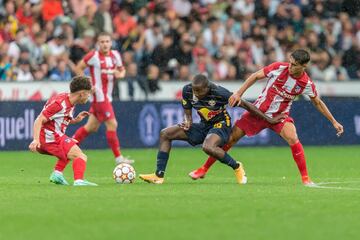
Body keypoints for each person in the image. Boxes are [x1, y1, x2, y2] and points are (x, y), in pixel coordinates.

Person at [189, 49, 344, 186]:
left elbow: (317, 102)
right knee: (230, 139)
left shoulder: (306, 83)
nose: (290, 66)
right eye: (290, 62)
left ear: (304, 66)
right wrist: (238, 93)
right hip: (257, 112)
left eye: (294, 65)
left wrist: (334, 121)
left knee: (293, 137)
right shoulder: (278, 68)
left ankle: (305, 179)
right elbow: (255, 76)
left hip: (279, 117)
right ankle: (203, 169)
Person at [139, 74, 284, 184]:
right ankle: (158, 176)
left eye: (199, 91)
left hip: (221, 124)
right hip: (204, 125)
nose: (195, 93)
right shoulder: (187, 90)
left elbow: (247, 105)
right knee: (165, 133)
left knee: (208, 147)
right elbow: (188, 111)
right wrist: (188, 122)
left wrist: (269, 119)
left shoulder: (220, 93)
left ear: (207, 88)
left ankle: (237, 166)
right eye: (194, 90)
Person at [72, 32, 133, 165]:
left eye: (107, 41)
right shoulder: (93, 56)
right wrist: (87, 85)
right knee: (112, 124)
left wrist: (120, 74)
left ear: (111, 43)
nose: (105, 44)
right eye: (102, 42)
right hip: (99, 97)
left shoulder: (116, 55)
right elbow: (79, 67)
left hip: (107, 96)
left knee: (90, 127)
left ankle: (69, 145)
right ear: (98, 44)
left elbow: (122, 71)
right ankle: (118, 158)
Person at [28, 76, 97, 186]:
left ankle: (57, 174)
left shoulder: (69, 100)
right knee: (80, 156)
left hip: (53, 136)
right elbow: (39, 120)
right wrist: (35, 140)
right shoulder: (60, 104)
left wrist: (75, 120)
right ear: (81, 93)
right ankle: (79, 181)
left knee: (71, 146)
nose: (89, 96)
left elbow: (58, 119)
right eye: (88, 93)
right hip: (49, 138)